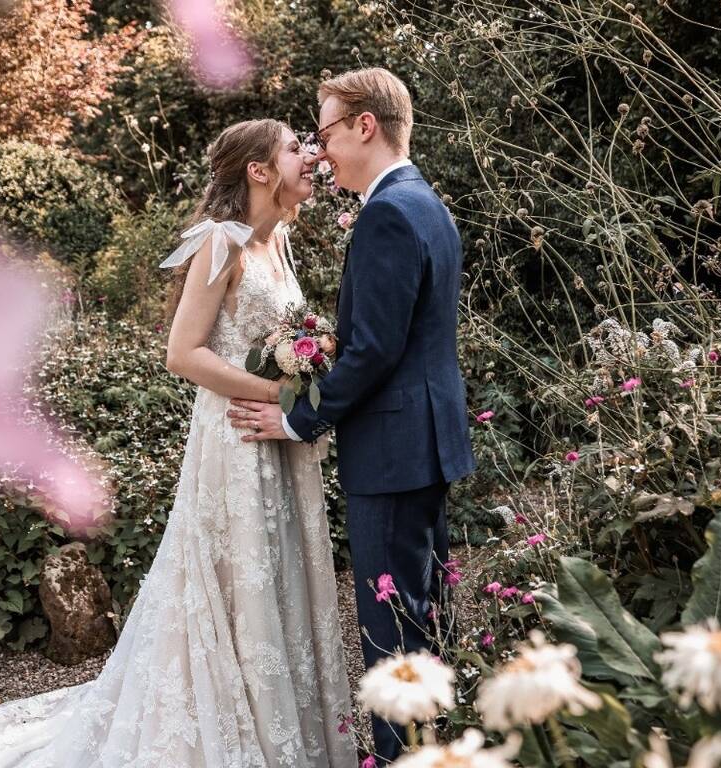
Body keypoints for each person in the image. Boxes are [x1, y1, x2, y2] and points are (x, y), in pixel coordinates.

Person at [0, 118, 355, 767]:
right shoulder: (221, 243)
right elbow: (182, 354)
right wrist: (276, 392)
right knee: (235, 580)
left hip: (275, 438)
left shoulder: (281, 243)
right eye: (294, 148)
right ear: (259, 169)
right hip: (236, 443)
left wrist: (307, 374)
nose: (310, 157)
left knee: (276, 575)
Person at [227, 69, 476, 765]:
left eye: (327, 131)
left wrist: (300, 420)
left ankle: (405, 758)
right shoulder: (422, 201)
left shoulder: (388, 212)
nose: (321, 150)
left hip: (395, 450)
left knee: (392, 627)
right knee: (422, 618)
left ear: (365, 126)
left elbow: (373, 352)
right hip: (422, 442)